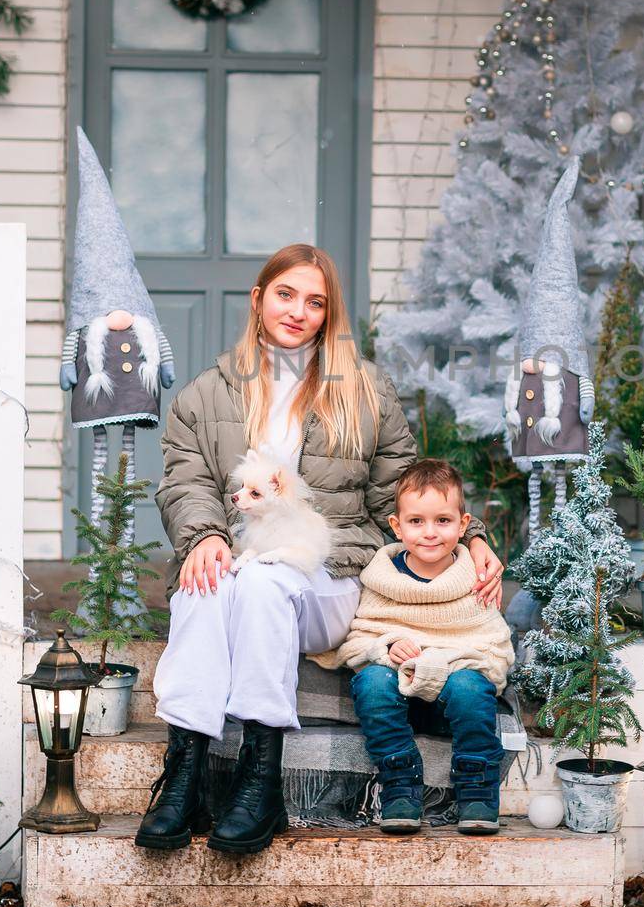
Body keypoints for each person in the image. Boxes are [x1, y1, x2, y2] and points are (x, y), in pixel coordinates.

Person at [135, 244, 504, 855]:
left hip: (328, 577)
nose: (298, 311)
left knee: (260, 583)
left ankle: (261, 777)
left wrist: (472, 534)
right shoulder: (207, 394)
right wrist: (204, 537)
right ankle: (185, 776)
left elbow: (410, 488)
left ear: (328, 316)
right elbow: (186, 480)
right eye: (286, 294)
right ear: (258, 300)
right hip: (241, 561)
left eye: (316, 302)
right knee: (202, 587)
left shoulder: (363, 390)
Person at [311, 459, 514, 836]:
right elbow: (358, 640)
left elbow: (495, 650)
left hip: (453, 703)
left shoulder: (474, 579)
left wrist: (441, 661)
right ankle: (400, 783)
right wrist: (386, 647)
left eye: (443, 521)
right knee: (371, 681)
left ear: (464, 525)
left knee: (471, 687)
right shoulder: (382, 579)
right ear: (397, 526)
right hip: (392, 705)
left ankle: (477, 788)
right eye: (416, 521)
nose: (430, 533)